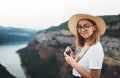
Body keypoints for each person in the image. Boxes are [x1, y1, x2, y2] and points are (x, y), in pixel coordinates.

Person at [64, 14, 106, 78]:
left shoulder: (95, 49)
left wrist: (72, 63)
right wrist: (72, 59)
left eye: (86, 26)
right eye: (79, 27)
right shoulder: (87, 44)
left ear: (94, 27)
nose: (82, 30)